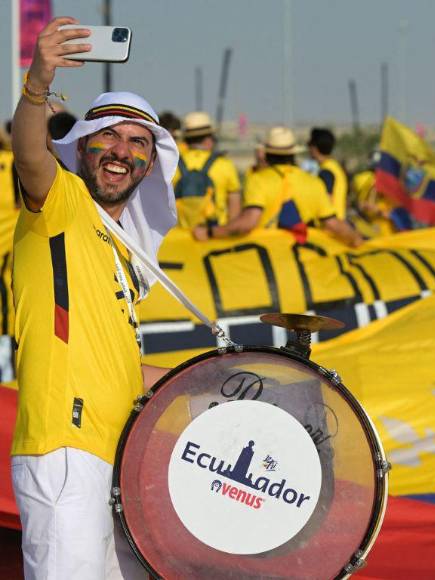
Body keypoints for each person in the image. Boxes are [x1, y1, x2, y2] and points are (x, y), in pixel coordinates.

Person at [10, 17, 177, 578]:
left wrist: (234, 385)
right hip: (66, 451)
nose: (120, 150)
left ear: (150, 164)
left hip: (119, 464)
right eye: (108, 134)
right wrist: (38, 82)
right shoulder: (60, 201)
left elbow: (125, 373)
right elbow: (29, 155)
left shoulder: (125, 255)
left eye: (137, 142)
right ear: (82, 144)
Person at [193, 127, 363, 247]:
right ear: (293, 154)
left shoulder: (258, 180)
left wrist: (210, 233)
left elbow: (248, 222)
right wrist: (356, 239)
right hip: (304, 261)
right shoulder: (313, 182)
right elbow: (333, 224)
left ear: (267, 154)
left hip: (266, 260)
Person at [173, 111, 241, 229]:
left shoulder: (171, 165)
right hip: (213, 236)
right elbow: (234, 211)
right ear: (208, 139)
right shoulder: (225, 165)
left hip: (178, 236)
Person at [308, 127, 348, 220]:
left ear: (315, 148)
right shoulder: (335, 166)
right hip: (338, 220)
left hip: (329, 224)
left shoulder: (326, 171)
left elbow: (326, 199)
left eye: (309, 145)